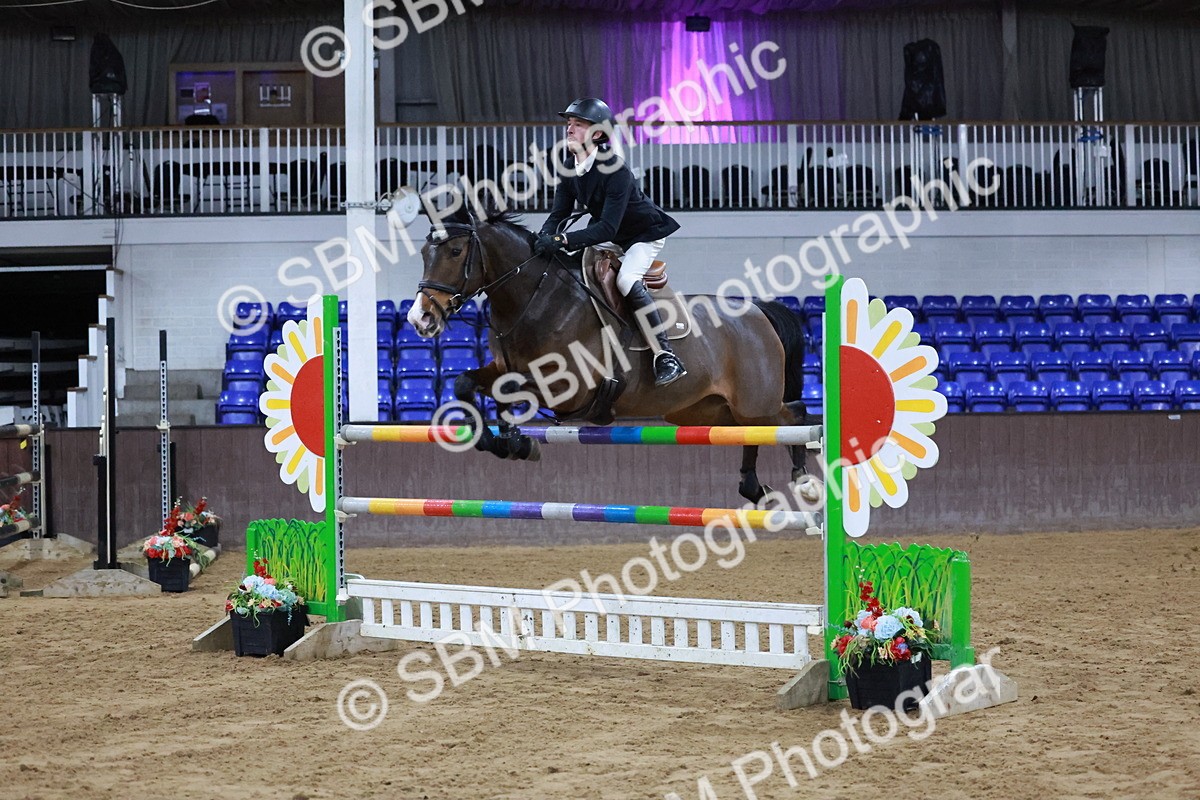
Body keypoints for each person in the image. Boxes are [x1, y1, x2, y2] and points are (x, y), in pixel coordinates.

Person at [534, 97, 686, 388]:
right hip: (610, 234)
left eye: (578, 125)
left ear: (597, 134)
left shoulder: (614, 168)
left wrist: (564, 238)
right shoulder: (570, 164)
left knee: (627, 279)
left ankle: (665, 355)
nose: (570, 129)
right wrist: (544, 238)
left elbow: (606, 227)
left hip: (642, 234)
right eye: (569, 124)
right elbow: (559, 212)